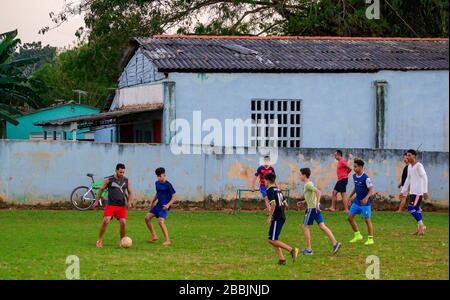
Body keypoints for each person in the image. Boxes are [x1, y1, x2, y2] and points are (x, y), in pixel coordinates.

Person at [298, 168, 341, 255]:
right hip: (315, 208)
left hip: (312, 209)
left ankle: (309, 250)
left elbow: (318, 192)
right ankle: (335, 243)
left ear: (304, 175)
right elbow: (311, 196)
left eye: (300, 174)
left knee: (305, 227)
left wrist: (317, 204)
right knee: (322, 225)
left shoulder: (308, 185)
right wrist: (303, 202)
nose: (299, 176)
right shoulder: (309, 184)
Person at [94, 163, 132, 248]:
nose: (122, 174)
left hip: (121, 206)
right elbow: (101, 190)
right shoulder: (109, 180)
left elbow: (129, 192)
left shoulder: (126, 180)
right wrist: (96, 201)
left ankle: (122, 241)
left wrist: (129, 202)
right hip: (111, 205)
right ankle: (99, 240)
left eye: (123, 172)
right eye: (120, 172)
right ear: (116, 170)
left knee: (123, 222)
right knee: (106, 220)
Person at [264, 172, 299, 265]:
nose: (264, 182)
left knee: (272, 240)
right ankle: (282, 259)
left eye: (264, 180)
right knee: (273, 238)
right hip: (281, 216)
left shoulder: (270, 190)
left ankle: (292, 250)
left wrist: (270, 216)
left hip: (277, 217)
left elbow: (274, 204)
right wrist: (281, 209)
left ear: (267, 181)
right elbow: (285, 204)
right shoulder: (278, 189)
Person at [144, 167, 176, 246]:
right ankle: (154, 236)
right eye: (157, 176)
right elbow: (158, 193)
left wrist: (168, 205)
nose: (158, 178)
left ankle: (168, 240)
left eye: (160, 176)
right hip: (158, 205)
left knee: (160, 222)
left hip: (164, 207)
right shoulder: (157, 183)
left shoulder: (168, 185)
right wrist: (152, 202)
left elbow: (174, 197)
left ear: (164, 175)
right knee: (147, 218)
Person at [399, 149, 429, 235]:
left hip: (418, 192)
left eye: (409, 155)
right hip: (412, 192)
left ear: (414, 156)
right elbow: (408, 179)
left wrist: (425, 191)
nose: (407, 157)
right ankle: (420, 230)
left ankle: (422, 225)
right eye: (406, 155)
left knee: (410, 208)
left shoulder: (419, 166)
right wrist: (403, 191)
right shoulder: (409, 167)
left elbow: (425, 177)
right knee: (416, 209)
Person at [347, 159, 374, 245]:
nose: (354, 168)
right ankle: (357, 235)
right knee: (350, 218)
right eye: (353, 166)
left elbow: (371, 190)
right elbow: (356, 187)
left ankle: (370, 239)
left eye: (355, 166)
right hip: (357, 202)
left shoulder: (366, 178)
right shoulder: (354, 176)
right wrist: (350, 197)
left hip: (365, 203)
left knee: (367, 220)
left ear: (361, 167)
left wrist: (366, 198)